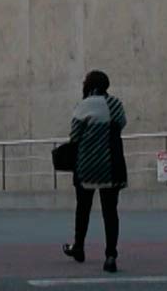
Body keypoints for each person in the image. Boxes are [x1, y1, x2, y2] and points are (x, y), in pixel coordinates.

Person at [63, 70, 128, 273]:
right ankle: (110, 255)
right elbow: (121, 124)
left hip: (87, 166)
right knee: (110, 212)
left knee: (83, 208)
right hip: (111, 166)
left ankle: (79, 247)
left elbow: (74, 136)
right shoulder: (115, 104)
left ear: (89, 85)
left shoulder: (82, 106)